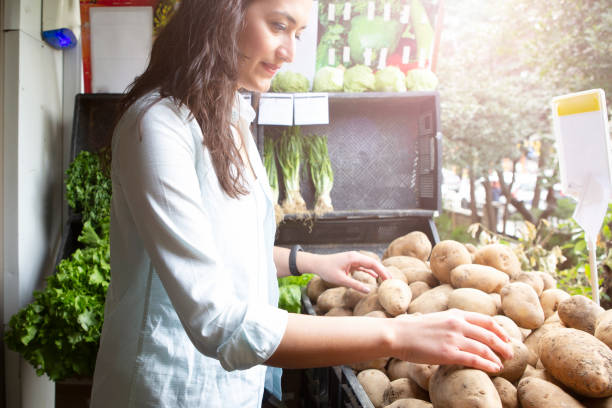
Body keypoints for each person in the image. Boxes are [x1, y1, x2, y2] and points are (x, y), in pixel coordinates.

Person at [89, 0, 513, 406]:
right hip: (169, 387)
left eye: (298, 33)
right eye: (278, 26)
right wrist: (395, 334)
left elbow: (226, 248)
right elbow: (216, 321)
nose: (290, 51)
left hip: (234, 386)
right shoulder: (158, 127)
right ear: (222, 14)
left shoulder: (229, 115)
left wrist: (307, 261)